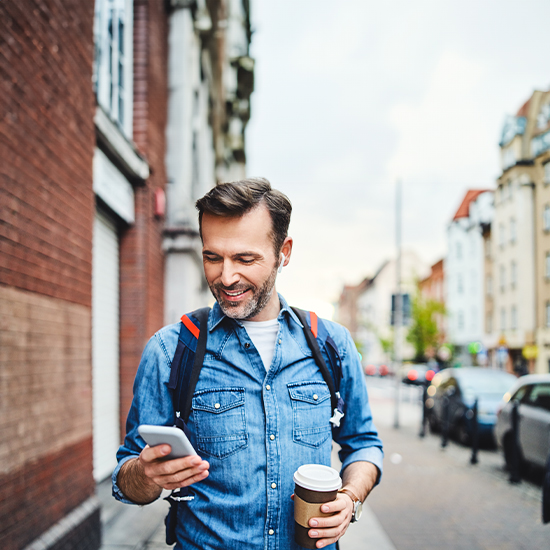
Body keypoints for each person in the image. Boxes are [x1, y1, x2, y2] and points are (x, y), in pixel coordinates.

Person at [113, 178, 383, 550]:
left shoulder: (332, 344)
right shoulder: (169, 351)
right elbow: (127, 483)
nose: (226, 277)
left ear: (283, 252)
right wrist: (145, 474)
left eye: (245, 258)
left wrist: (350, 498)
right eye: (212, 257)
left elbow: (364, 444)